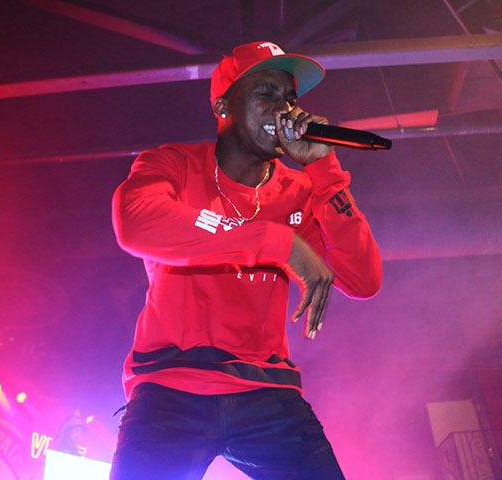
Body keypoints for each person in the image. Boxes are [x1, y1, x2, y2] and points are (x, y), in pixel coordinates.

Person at [109, 41, 382, 480]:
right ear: (223, 104)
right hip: (170, 389)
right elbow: (136, 221)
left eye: (290, 98)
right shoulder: (173, 165)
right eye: (267, 94)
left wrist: (325, 171)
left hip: (268, 394)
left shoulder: (298, 191)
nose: (284, 109)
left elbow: (362, 279)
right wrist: (280, 244)